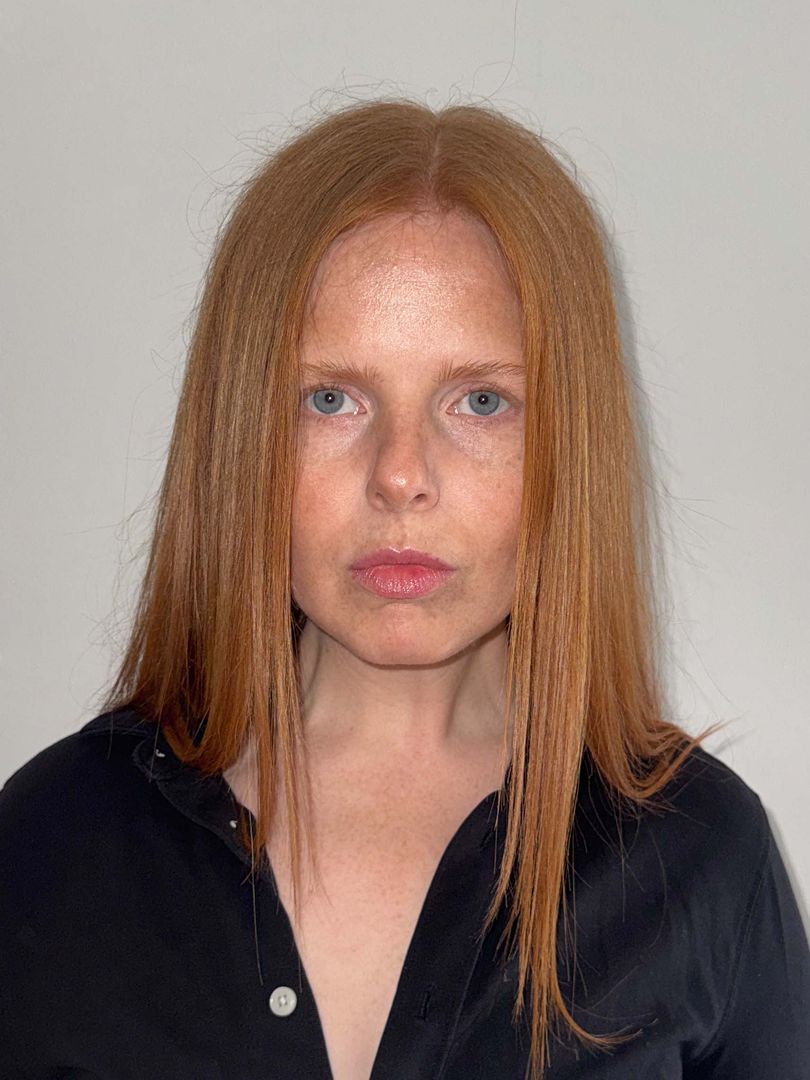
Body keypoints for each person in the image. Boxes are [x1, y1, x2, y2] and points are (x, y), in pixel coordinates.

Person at [1, 97, 808, 1080]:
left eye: (481, 400)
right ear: (242, 435)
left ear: (570, 441)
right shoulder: (49, 842)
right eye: (330, 398)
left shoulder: (705, 864)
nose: (400, 475)